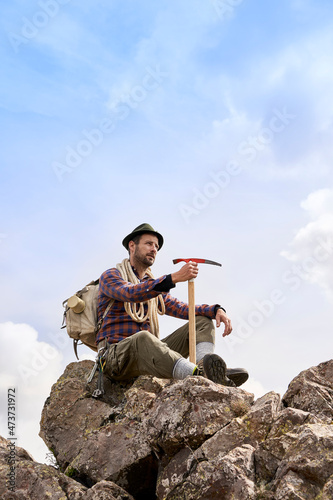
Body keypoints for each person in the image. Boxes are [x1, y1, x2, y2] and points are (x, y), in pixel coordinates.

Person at [96, 223, 248, 387]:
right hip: (114, 358)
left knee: (201, 321)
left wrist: (215, 310)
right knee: (144, 338)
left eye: (156, 246)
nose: (154, 249)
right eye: (149, 244)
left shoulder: (152, 286)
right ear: (132, 246)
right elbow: (131, 293)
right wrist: (173, 278)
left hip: (147, 356)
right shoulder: (111, 276)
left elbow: (182, 308)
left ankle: (207, 367)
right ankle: (199, 375)